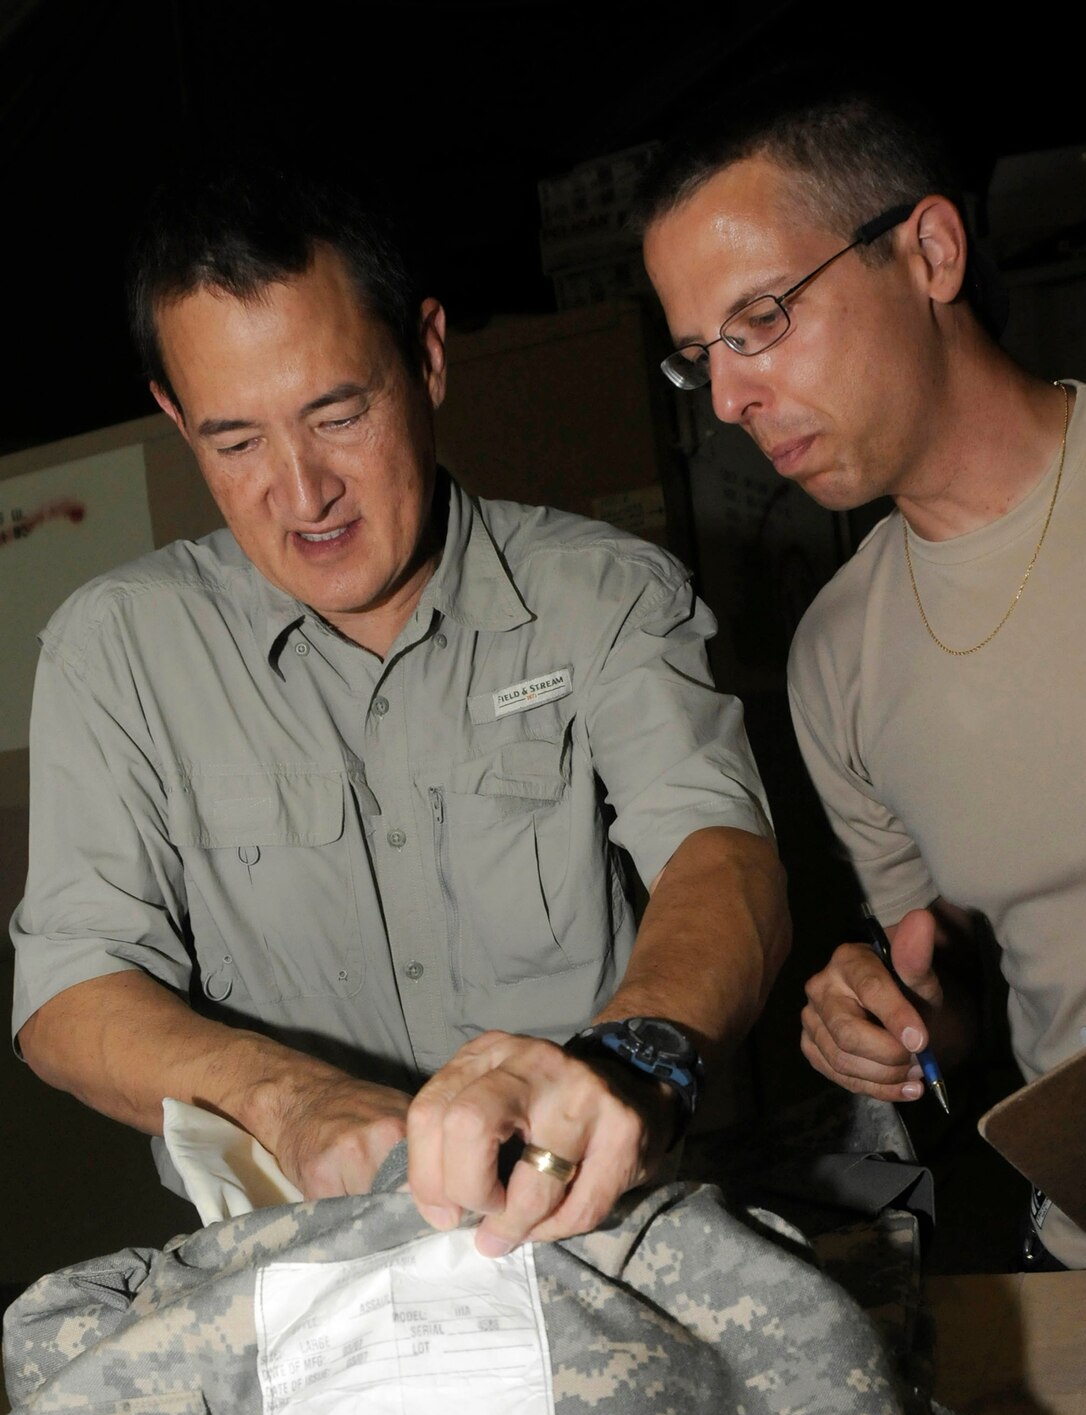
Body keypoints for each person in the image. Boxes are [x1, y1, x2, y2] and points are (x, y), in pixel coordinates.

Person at [10, 169, 789, 1258]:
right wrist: (287, 1098)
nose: (303, 491)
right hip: (308, 1271)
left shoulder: (602, 596)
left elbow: (721, 856)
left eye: (338, 413)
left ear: (425, 357)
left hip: (596, 1238)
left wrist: (634, 1057)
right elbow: (67, 991)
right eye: (235, 443)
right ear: (175, 418)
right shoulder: (117, 652)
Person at [640, 87, 1086, 1268]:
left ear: (930, 251)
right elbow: (950, 981)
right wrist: (886, 1014)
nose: (728, 399)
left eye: (759, 320)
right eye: (698, 357)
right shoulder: (834, 658)